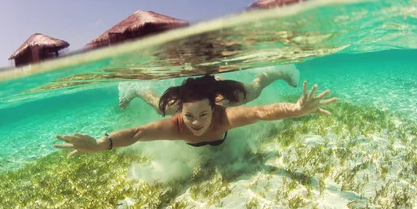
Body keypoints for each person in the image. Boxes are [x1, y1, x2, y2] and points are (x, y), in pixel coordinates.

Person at [54, 74, 338, 157]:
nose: (197, 123)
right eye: (190, 117)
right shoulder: (177, 123)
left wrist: (296, 109)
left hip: (220, 95)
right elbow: (137, 134)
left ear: (214, 108)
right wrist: (101, 144)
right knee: (158, 104)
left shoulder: (223, 116)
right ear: (182, 112)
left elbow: (262, 112)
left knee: (251, 92)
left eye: (203, 114)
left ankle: (275, 72)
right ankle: (138, 88)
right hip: (175, 104)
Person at [119, 65, 301, 115]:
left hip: (215, 85)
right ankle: (134, 89)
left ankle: (281, 71)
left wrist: (281, 73)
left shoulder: (227, 100)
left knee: (253, 90)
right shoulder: (174, 108)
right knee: (160, 107)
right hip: (195, 89)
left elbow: (258, 85)